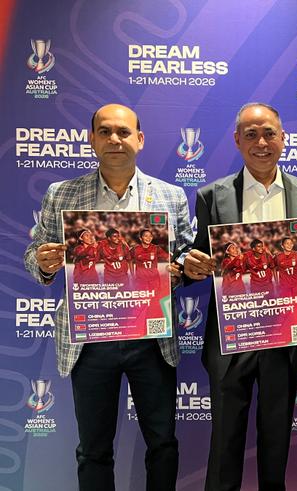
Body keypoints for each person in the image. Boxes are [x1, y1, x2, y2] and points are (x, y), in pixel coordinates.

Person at [24, 103, 193, 491]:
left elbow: (185, 254)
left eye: (123, 132)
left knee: (163, 444)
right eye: (105, 132)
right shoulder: (62, 194)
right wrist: (45, 263)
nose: (114, 139)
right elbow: (34, 253)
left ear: (140, 139)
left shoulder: (170, 196)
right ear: (92, 139)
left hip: (151, 339)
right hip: (90, 340)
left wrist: (181, 268)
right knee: (93, 450)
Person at [182, 102, 297, 491]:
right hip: (231, 337)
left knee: (276, 443)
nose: (261, 143)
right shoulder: (212, 196)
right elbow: (198, 262)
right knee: (224, 444)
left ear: (283, 138)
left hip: (284, 336)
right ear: (237, 140)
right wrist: (192, 266)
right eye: (251, 135)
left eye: (269, 134)